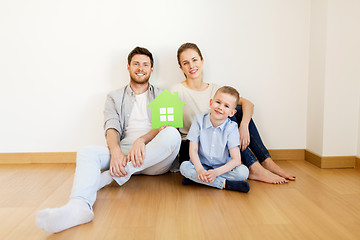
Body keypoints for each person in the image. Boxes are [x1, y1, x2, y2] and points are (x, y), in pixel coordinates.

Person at [36, 47, 181, 233]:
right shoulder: (114, 97)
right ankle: (79, 206)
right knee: (86, 152)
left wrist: (142, 140)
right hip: (125, 153)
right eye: (136, 64)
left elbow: (166, 128)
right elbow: (111, 127)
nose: (140, 68)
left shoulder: (165, 95)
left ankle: (107, 178)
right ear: (128, 67)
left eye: (145, 64)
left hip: (154, 158)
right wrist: (116, 152)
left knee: (172, 135)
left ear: (152, 69)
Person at [171, 43, 295, 184]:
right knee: (188, 166)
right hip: (195, 145)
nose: (191, 66)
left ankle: (266, 161)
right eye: (185, 63)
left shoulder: (215, 90)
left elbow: (248, 104)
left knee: (238, 111)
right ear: (181, 68)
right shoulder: (176, 91)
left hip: (218, 143)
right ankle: (245, 172)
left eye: (194, 60)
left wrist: (243, 127)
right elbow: (168, 122)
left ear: (202, 61)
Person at [180, 86, 250, 193]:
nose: (220, 107)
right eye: (218, 102)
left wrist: (216, 173)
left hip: (221, 169)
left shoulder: (232, 128)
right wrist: (199, 170)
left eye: (226, 106)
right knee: (184, 167)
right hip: (201, 165)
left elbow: (236, 159)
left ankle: (197, 180)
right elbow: (193, 150)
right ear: (211, 103)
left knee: (243, 172)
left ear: (232, 113)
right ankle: (225, 184)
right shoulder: (199, 120)